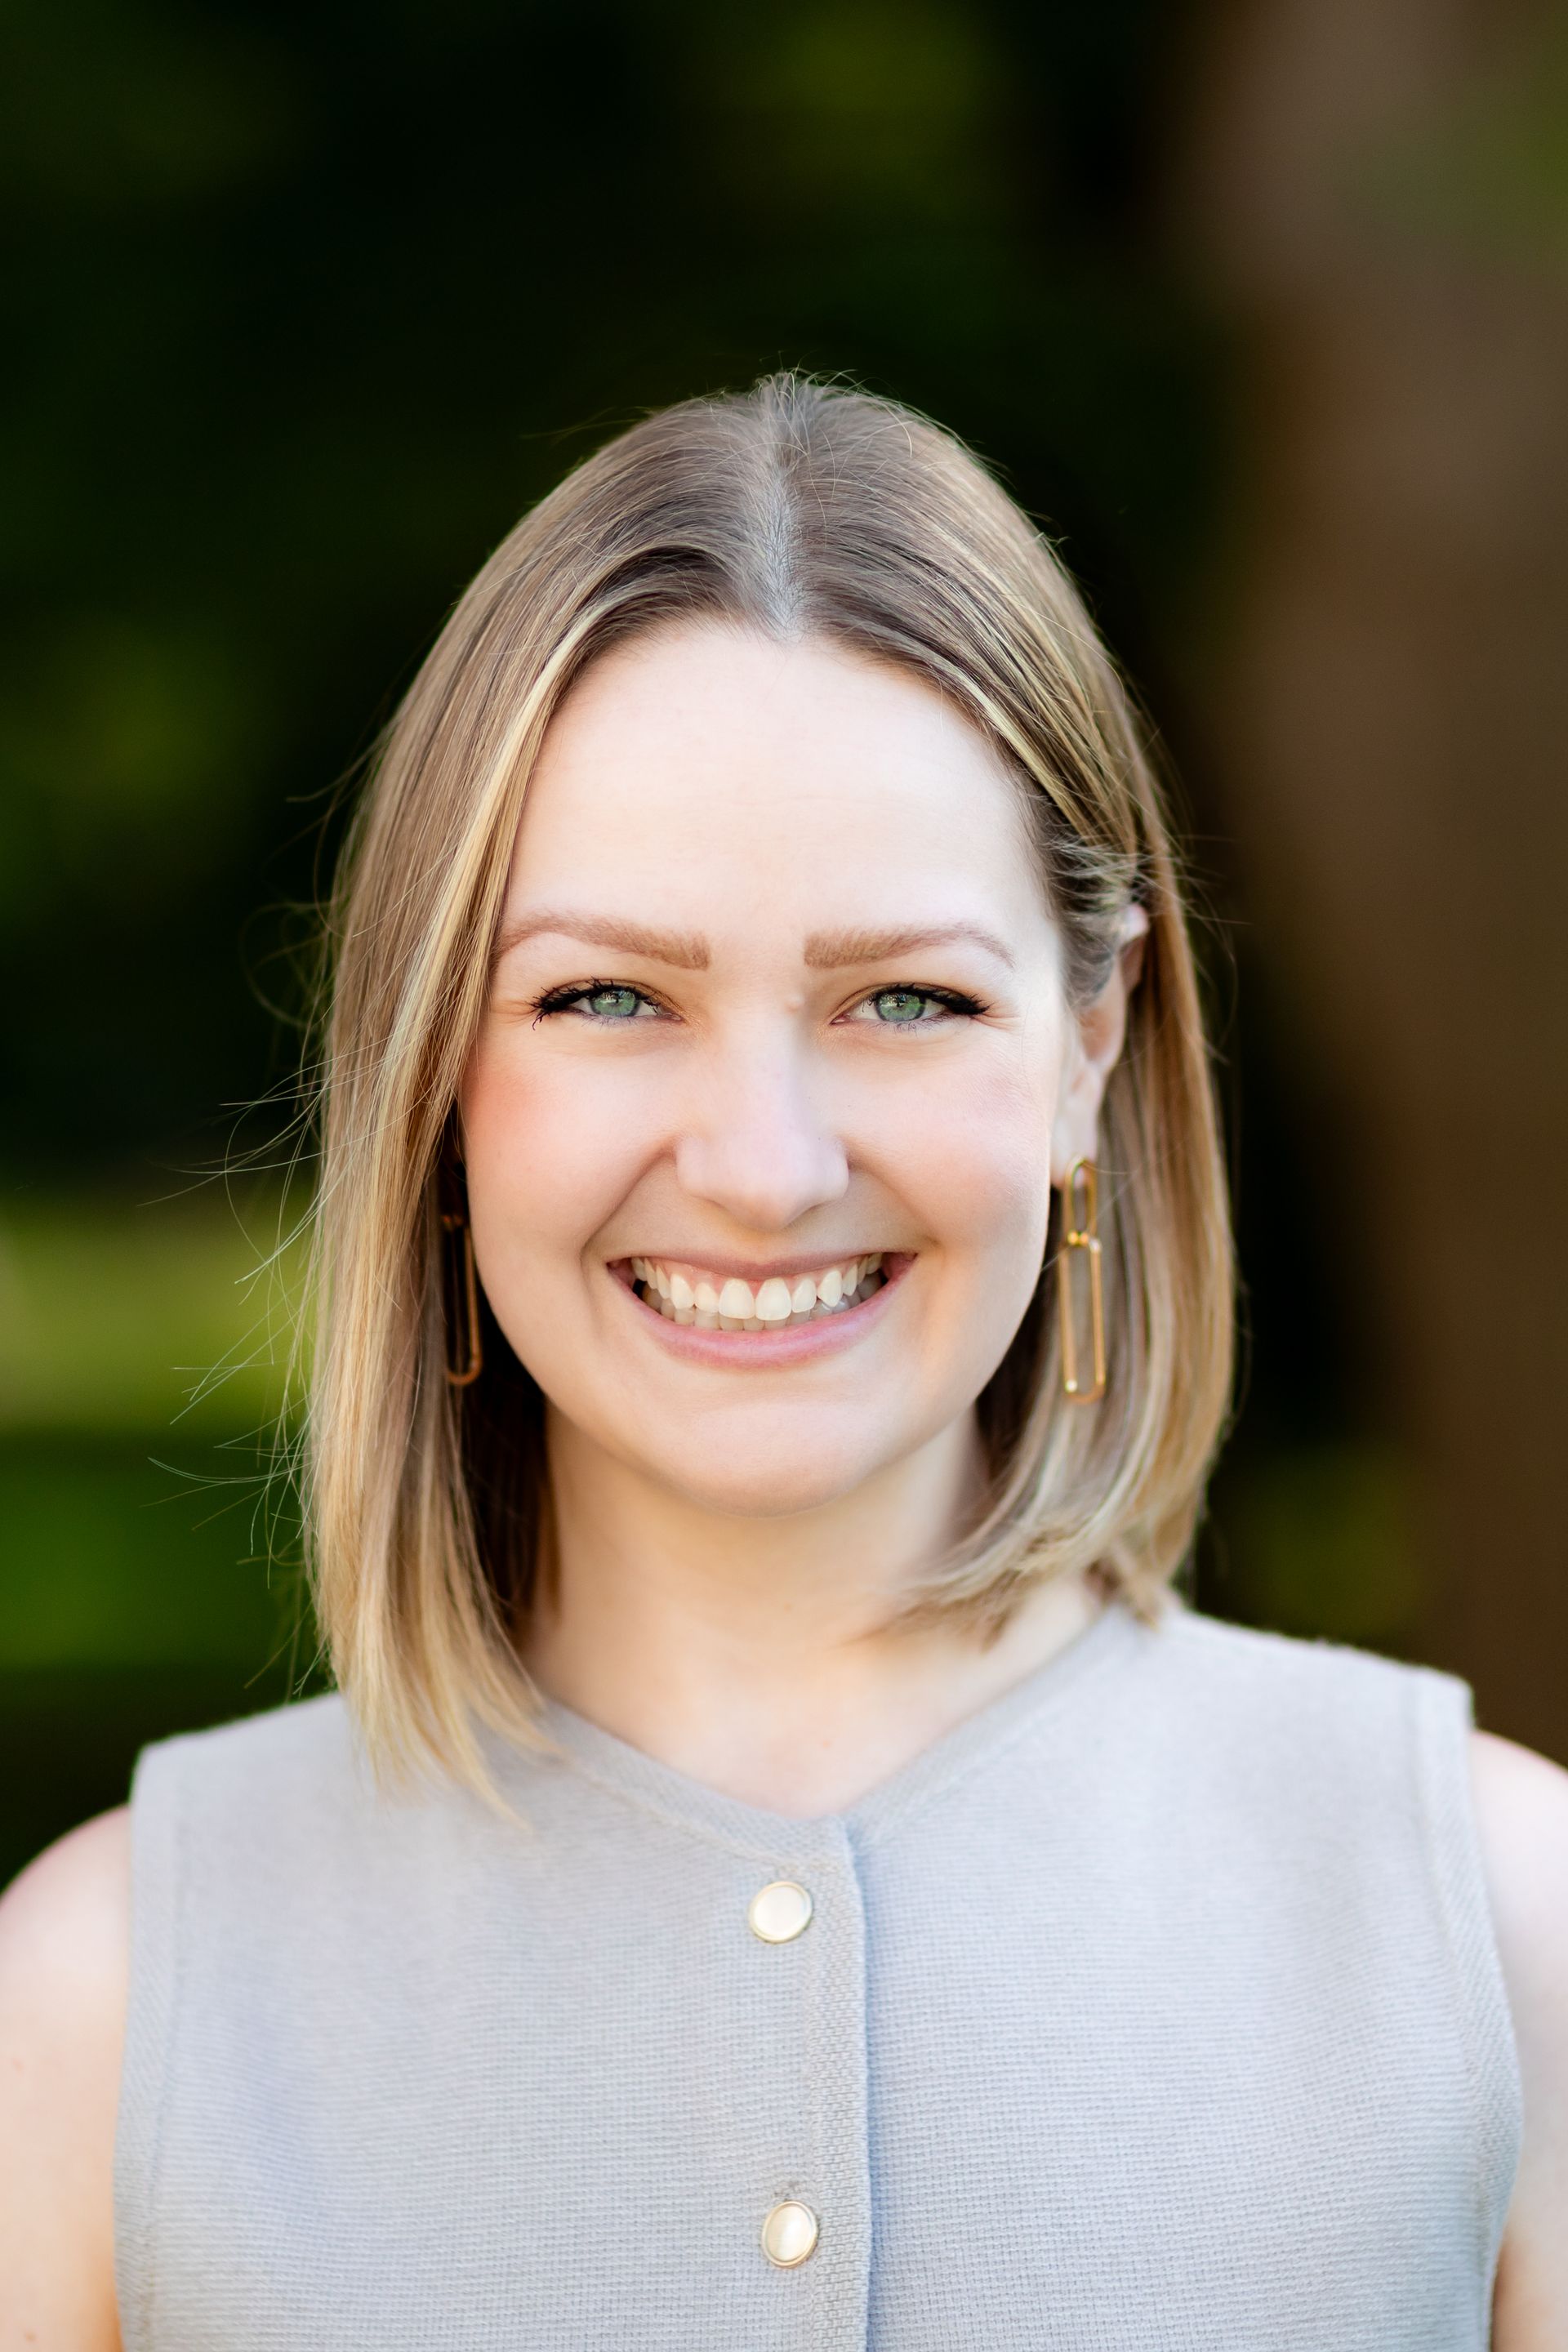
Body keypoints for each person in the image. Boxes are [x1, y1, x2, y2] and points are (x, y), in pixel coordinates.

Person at [1, 376, 1564, 2350]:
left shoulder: (1508, 1936)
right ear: (437, 1082)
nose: (763, 1166)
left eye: (905, 996)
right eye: (606, 996)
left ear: (1092, 1038)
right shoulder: (95, 2002)